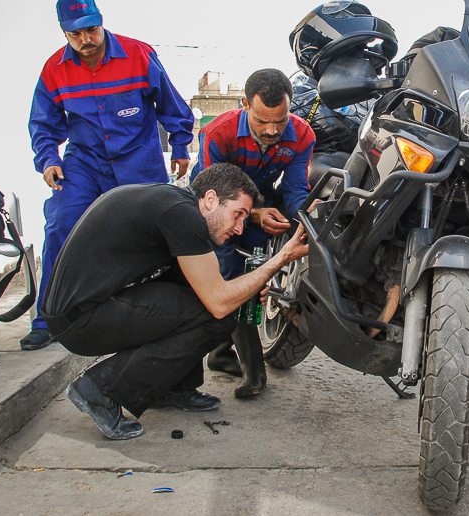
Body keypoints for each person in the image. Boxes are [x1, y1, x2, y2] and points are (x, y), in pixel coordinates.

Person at [41, 163, 309, 440]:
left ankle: (173, 387)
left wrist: (246, 290)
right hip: (80, 319)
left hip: (86, 307)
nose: (240, 228)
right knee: (219, 315)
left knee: (204, 298)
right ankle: (100, 389)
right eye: (237, 214)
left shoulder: (177, 205)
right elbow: (218, 302)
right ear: (211, 199)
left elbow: (204, 287)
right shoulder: (182, 215)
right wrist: (280, 260)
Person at [25, 0, 194, 351]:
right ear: (64, 31)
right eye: (76, 33)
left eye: (92, 29)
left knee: (157, 234)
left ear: (101, 21)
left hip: (139, 161)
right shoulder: (55, 70)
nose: (86, 40)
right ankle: (48, 318)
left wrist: (180, 144)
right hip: (85, 163)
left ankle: (159, 308)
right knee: (61, 223)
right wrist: (49, 160)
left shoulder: (138, 54)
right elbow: (43, 124)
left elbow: (170, 102)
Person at [189, 68, 315, 398]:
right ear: (244, 104)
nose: (272, 130)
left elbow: (295, 189)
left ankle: (219, 356)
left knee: (254, 272)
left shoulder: (302, 135)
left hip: (258, 205)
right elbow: (210, 199)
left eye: (280, 120)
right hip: (213, 209)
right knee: (228, 275)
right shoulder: (217, 133)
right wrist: (253, 214)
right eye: (262, 121)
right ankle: (254, 372)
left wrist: (311, 216)